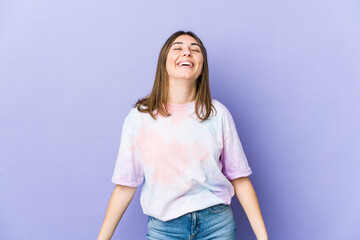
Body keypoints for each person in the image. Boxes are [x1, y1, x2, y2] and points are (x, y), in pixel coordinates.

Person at [98, 30, 268, 240]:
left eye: (194, 50)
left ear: (201, 66)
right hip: (164, 230)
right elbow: (125, 185)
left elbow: (240, 179)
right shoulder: (140, 117)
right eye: (177, 48)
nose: (186, 53)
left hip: (217, 226)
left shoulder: (218, 114)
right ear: (164, 62)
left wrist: (263, 237)